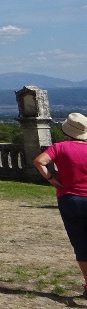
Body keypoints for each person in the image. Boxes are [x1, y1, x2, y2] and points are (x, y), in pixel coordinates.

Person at [34, 112, 87, 299]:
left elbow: (39, 161)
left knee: (80, 242)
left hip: (70, 198)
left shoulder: (60, 147)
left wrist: (52, 179)